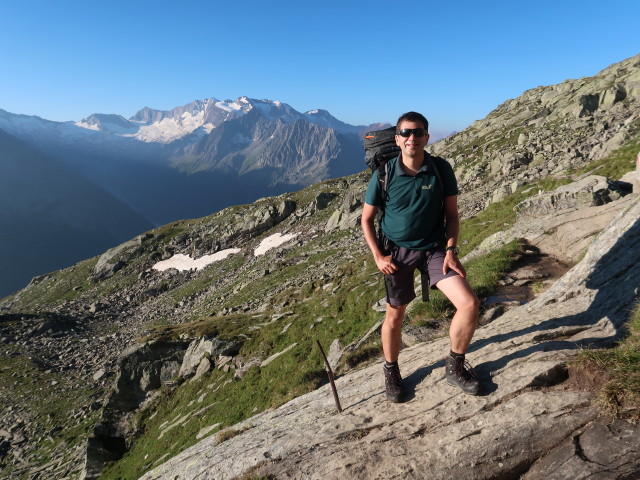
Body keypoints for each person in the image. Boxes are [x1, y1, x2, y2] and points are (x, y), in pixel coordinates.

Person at [361, 111, 480, 402]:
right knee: (395, 315)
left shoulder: (440, 169)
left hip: (436, 249)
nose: (412, 138)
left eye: (418, 133)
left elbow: (452, 215)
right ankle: (391, 371)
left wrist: (451, 250)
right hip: (397, 253)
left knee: (469, 303)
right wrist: (378, 256)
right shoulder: (384, 173)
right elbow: (366, 220)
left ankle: (454, 365)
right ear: (397, 139)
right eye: (406, 133)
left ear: (427, 137)